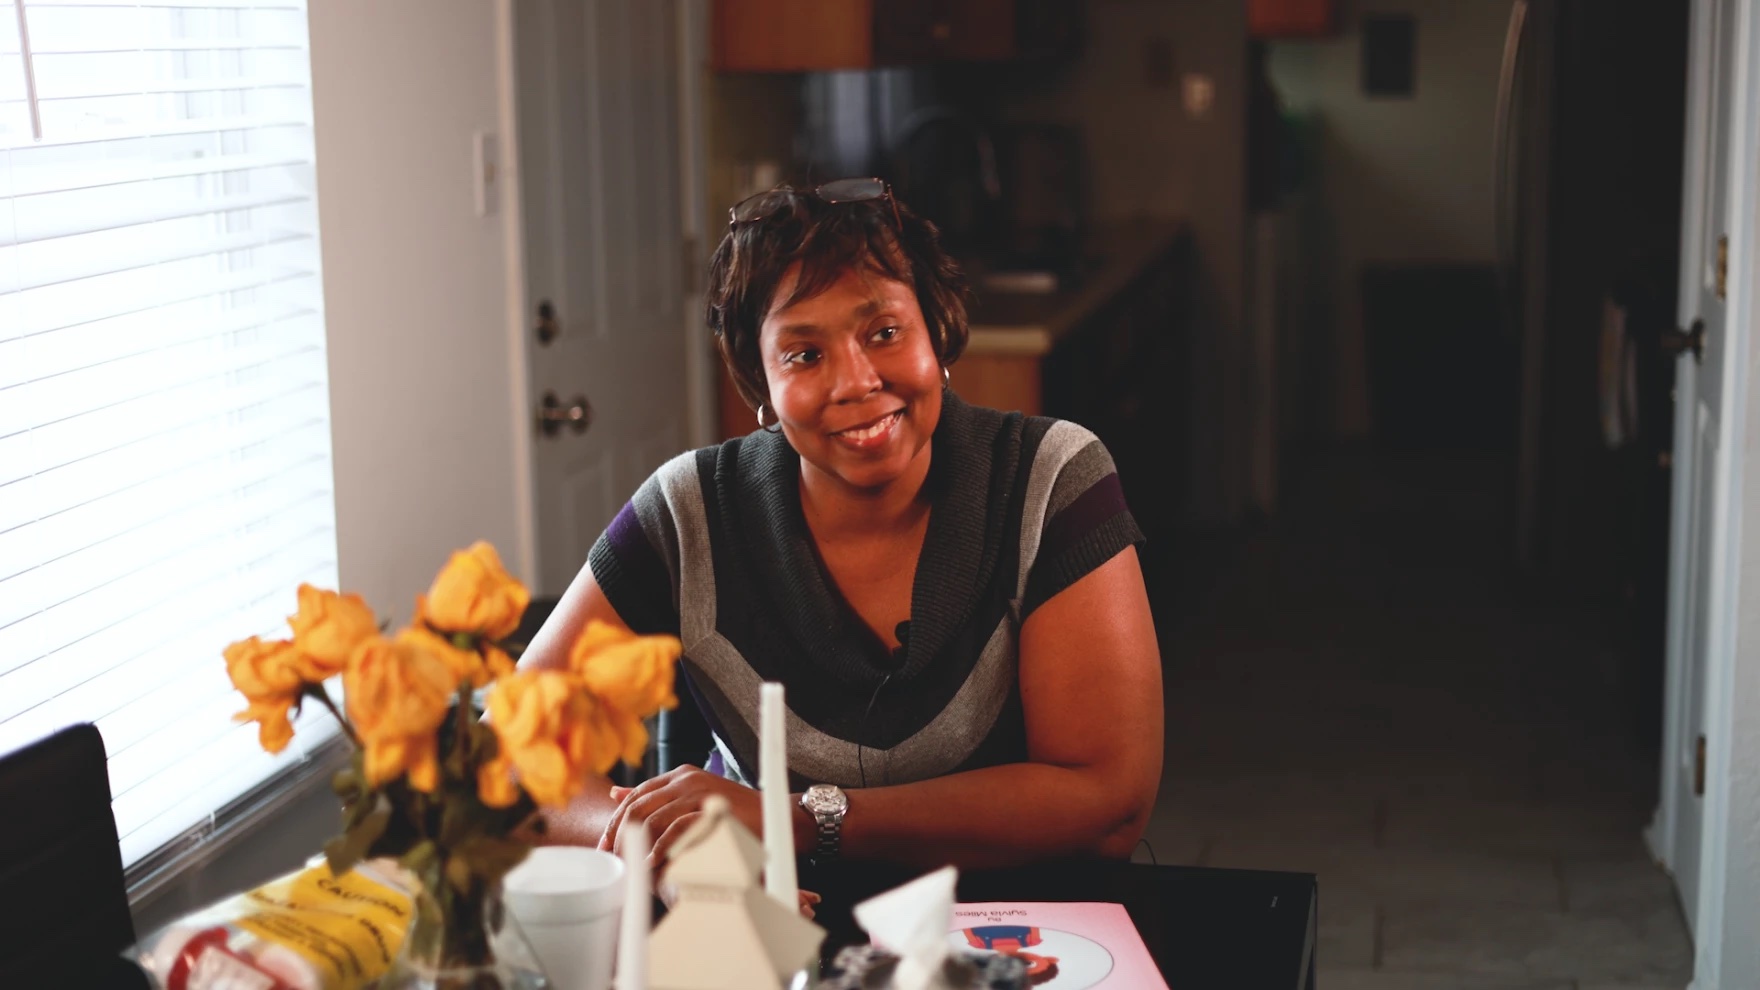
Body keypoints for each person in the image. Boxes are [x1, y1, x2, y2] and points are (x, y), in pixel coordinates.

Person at [519, 179, 1163, 872]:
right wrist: (655, 837)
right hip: (768, 941)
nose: (854, 382)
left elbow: (1107, 805)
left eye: (883, 332)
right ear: (759, 384)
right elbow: (504, 758)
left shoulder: (1051, 478)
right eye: (804, 354)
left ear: (937, 332)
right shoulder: (689, 512)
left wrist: (798, 821)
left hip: (1013, 942)